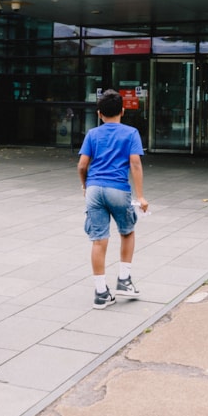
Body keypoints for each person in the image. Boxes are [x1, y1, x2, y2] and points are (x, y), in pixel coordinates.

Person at [78, 89, 149, 309]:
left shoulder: (92, 134)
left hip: (94, 189)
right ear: (123, 111)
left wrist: (85, 185)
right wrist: (140, 196)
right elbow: (135, 164)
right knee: (127, 232)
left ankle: (101, 293)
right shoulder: (131, 133)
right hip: (118, 189)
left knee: (99, 240)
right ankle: (124, 281)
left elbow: (82, 165)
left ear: (99, 114)